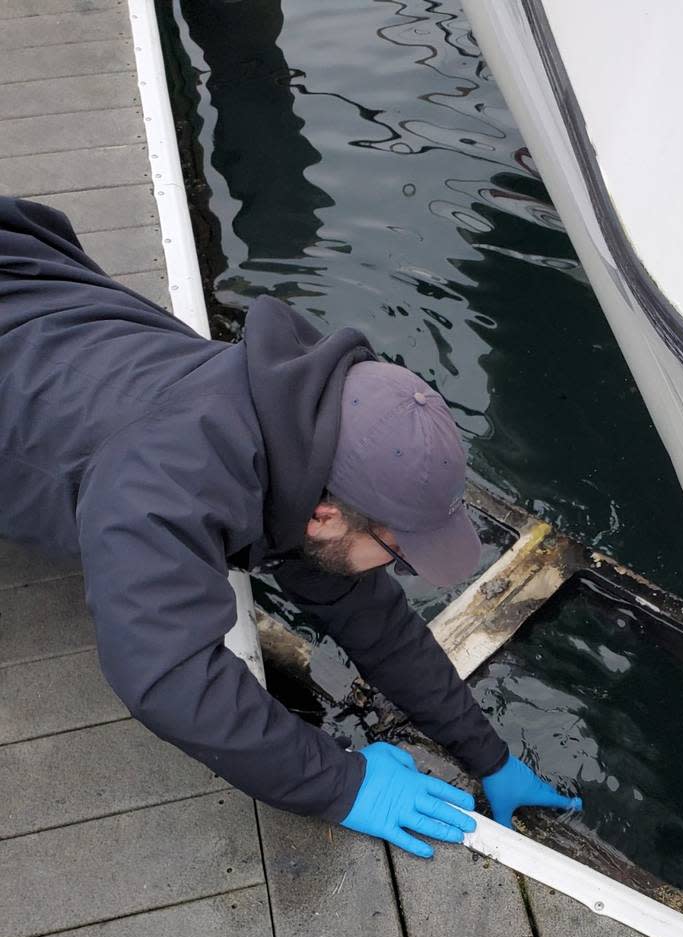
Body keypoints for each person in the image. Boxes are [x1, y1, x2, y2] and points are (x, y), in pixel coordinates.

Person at [0, 196, 580, 856]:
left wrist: (490, 757)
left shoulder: (300, 436)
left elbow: (378, 626)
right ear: (327, 517)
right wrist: (342, 784)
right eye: (397, 551)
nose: (401, 570)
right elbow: (164, 679)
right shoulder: (157, 494)